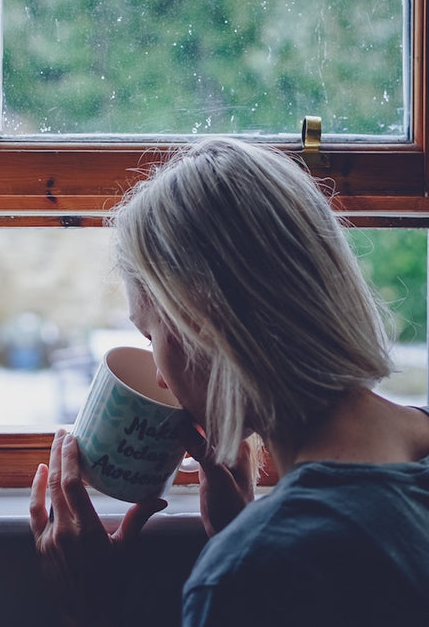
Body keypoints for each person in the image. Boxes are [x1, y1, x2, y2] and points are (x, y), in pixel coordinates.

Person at [30, 138, 429, 626]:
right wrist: (241, 529)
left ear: (203, 323)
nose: (159, 375)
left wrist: (94, 608)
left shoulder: (250, 573)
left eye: (150, 333)